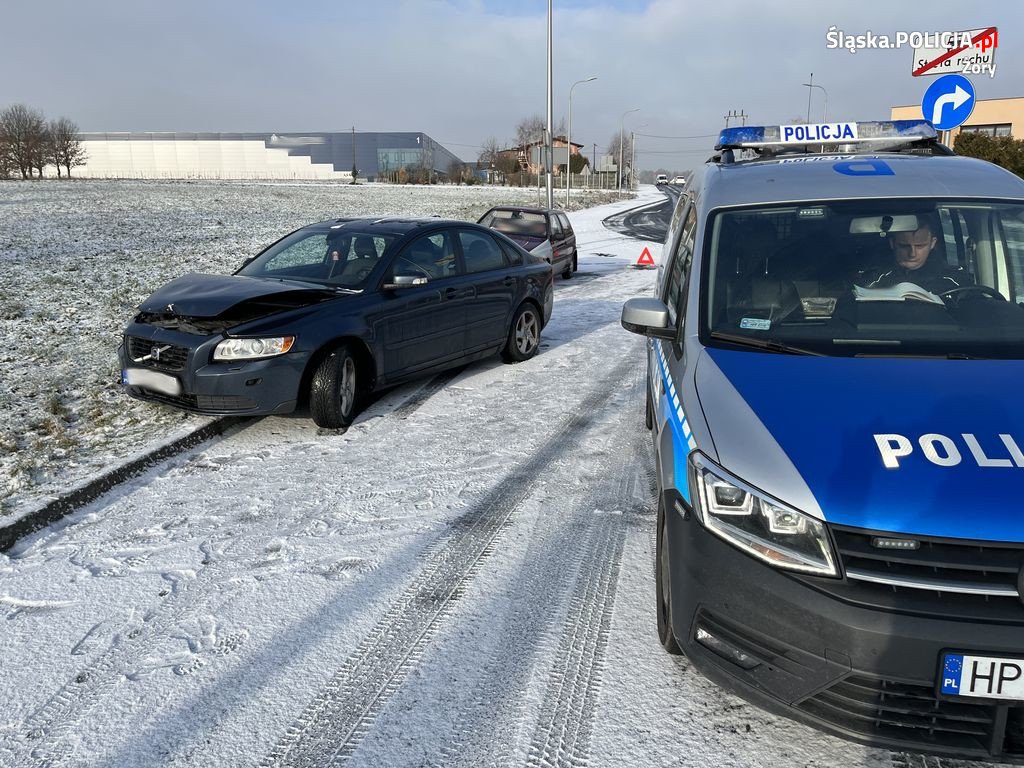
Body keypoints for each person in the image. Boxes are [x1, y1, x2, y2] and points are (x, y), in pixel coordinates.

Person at [861, 217, 964, 295]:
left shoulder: (955, 282)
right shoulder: (873, 280)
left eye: (920, 246)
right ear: (892, 243)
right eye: (904, 246)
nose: (912, 254)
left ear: (932, 243)